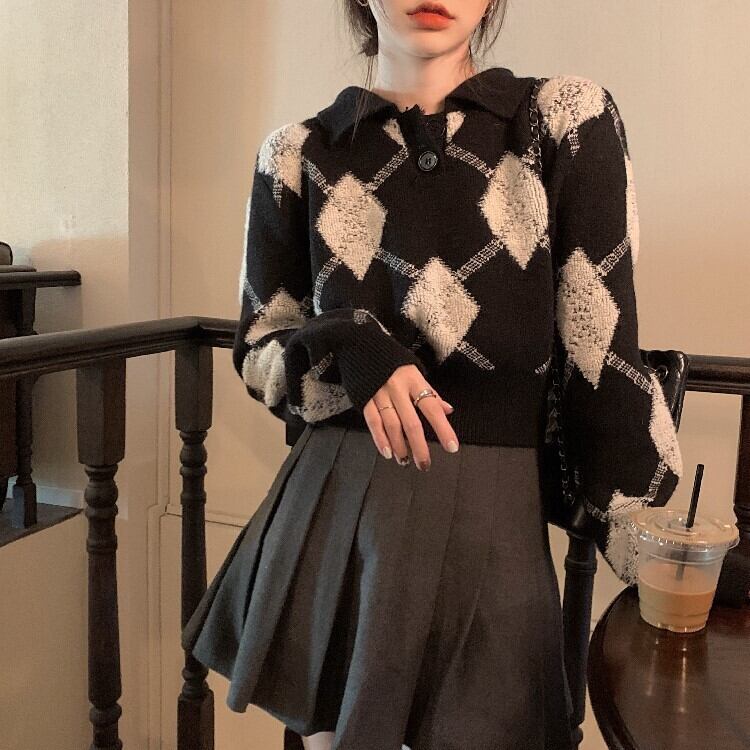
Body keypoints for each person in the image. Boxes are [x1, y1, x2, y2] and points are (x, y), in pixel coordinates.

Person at [181, 1, 685, 748]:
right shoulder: (296, 153)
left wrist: (654, 542)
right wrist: (349, 342)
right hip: (336, 510)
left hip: (494, 517)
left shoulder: (564, 121)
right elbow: (261, 350)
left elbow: (599, 346)